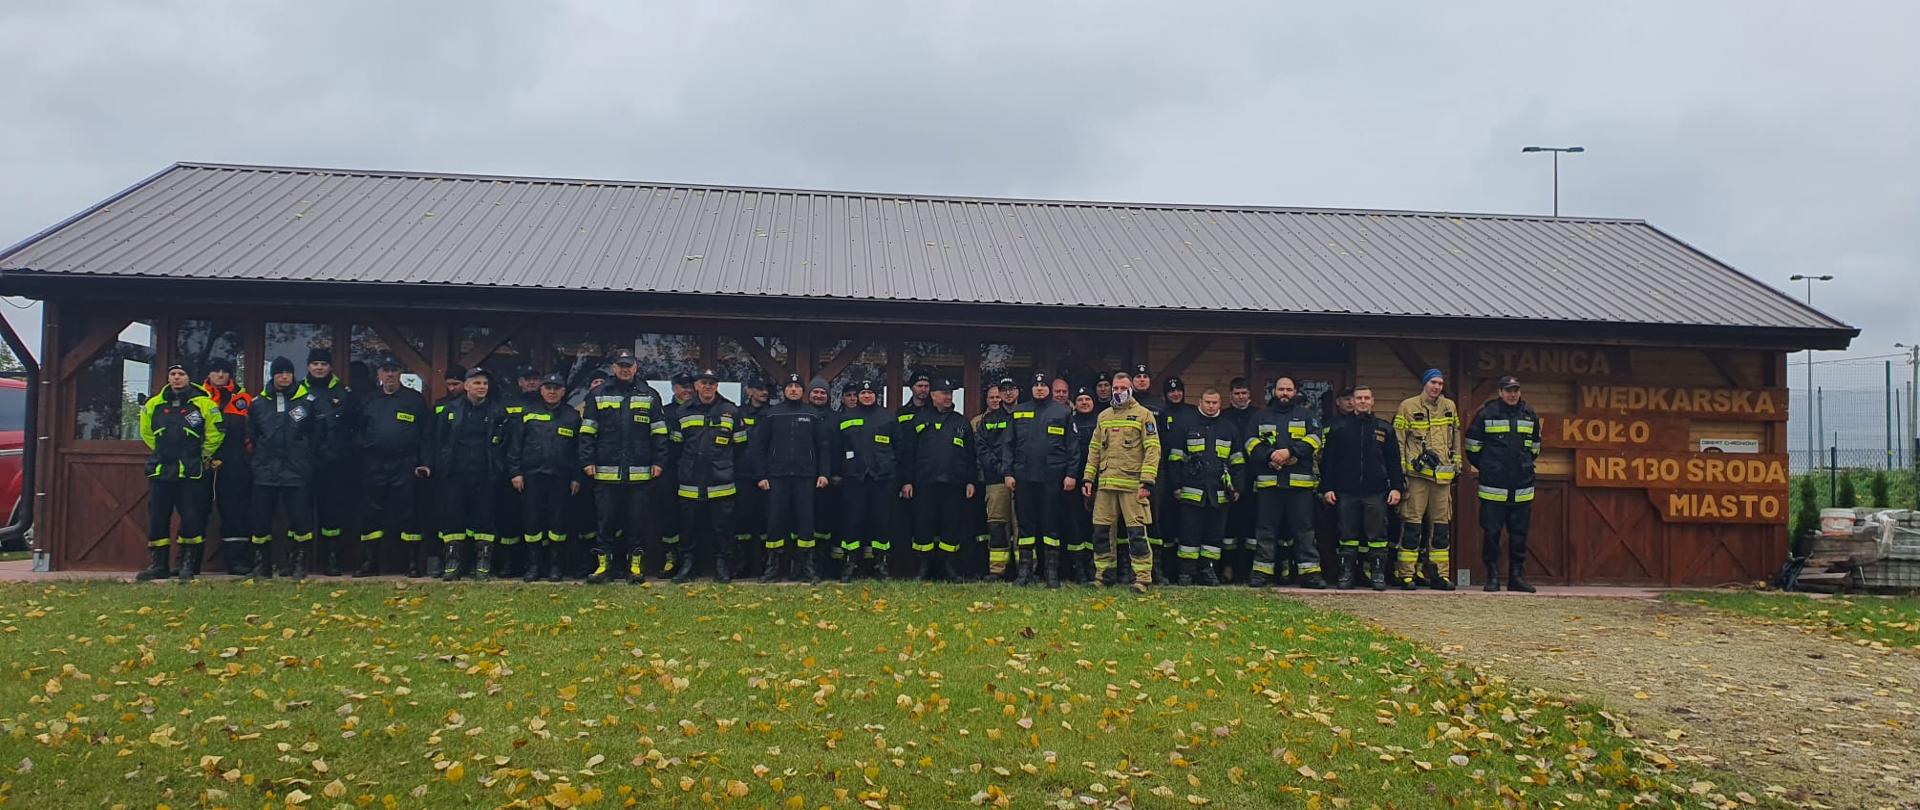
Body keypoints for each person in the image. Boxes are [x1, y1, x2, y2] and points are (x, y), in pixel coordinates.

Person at [580, 349, 667, 583]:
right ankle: (603, 566)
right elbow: (587, 431)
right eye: (621, 365)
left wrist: (659, 461)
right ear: (614, 368)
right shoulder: (598, 394)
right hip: (606, 471)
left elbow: (659, 432)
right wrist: (587, 461)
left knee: (637, 522)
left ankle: (634, 566)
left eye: (629, 365)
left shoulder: (650, 395)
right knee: (605, 521)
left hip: (640, 473)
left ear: (636, 368)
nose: (625, 369)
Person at [137, 363, 225, 581]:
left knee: (191, 517)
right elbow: (147, 432)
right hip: (161, 469)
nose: (177, 378)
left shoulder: (204, 403)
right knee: (158, 517)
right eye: (173, 374)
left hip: (191, 470)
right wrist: (163, 451)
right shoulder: (154, 404)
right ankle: (158, 564)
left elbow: (216, 432)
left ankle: (188, 564)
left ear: (189, 378)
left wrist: (201, 454)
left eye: (181, 374)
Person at [1081, 371, 1161, 593]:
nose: (1118, 392)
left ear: (1130, 389)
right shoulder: (1103, 416)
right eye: (1115, 388)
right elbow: (1094, 449)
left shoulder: (1143, 415)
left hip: (1132, 485)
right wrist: (1088, 478)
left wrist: (1147, 481)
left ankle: (1142, 577)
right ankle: (1104, 574)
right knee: (1101, 532)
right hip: (1106, 485)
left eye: (1122, 388)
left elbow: (1153, 449)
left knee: (1136, 533)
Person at [1320, 386, 1404, 591]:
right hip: (1346, 491)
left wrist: (1396, 487)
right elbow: (1328, 462)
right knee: (1347, 535)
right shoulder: (1338, 429)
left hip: (1376, 491)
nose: (1363, 401)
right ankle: (1346, 574)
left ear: (1373, 401)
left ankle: (1377, 575)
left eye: (1367, 398)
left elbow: (1394, 461)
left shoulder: (1384, 428)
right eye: (1359, 398)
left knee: (1377, 537)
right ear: (1353, 402)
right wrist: (1327, 487)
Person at [1002, 372, 1080, 587]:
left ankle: (1051, 573)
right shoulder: (1019, 411)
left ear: (1049, 389)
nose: (1039, 389)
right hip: (1024, 477)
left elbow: (1072, 447)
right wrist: (1008, 472)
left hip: (1052, 478)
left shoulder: (1063, 412)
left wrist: (1071, 474)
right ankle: (1024, 572)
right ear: (1030, 389)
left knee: (1050, 525)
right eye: (1036, 385)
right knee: (1025, 527)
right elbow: (1008, 445)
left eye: (1043, 385)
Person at [752, 373, 833, 582]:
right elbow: (759, 447)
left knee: (806, 522)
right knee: (775, 522)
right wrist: (761, 475)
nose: (794, 390)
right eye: (790, 387)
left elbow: (823, 447)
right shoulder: (772, 414)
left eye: (798, 387)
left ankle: (806, 567)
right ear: (784, 391)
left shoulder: (812, 414)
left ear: (802, 391)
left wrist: (824, 473)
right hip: (776, 477)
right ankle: (773, 567)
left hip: (806, 477)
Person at [430, 368, 509, 580]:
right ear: (466, 386)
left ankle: (482, 564)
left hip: (485, 474)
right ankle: (453, 563)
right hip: (455, 474)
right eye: (477, 383)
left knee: (484, 520)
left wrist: (499, 468)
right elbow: (439, 442)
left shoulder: (498, 412)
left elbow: (504, 444)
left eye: (484, 383)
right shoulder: (450, 410)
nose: (482, 387)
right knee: (453, 519)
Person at [355, 356, 431, 577]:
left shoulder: (414, 400)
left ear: (400, 373)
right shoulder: (368, 400)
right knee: (372, 513)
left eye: (394, 370)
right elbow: (359, 431)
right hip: (374, 463)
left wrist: (424, 462)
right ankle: (370, 562)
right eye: (385, 370)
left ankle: (412, 563)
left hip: (405, 463)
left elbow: (425, 434)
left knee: (408, 512)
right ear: (378, 374)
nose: (390, 374)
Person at [1247, 377, 1325, 588]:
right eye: (1281, 389)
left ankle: (1310, 574)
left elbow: (1316, 440)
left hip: (1299, 486)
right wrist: (1270, 455)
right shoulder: (1260, 416)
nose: (1284, 393)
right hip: (1269, 484)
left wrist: (1290, 452)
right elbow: (1250, 443)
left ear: (1295, 392)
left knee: (1304, 530)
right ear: (1274, 391)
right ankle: (1262, 573)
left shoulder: (1307, 416)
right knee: (1265, 529)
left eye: (1289, 389)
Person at [1466, 376, 1541, 593]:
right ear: (1500, 392)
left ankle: (1516, 578)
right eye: (1508, 390)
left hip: (1522, 487)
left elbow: (1535, 448)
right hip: (1493, 488)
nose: (1513, 394)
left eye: (1516, 390)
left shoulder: (1529, 415)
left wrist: (1523, 466)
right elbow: (1472, 448)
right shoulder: (1486, 414)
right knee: (1492, 534)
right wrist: (1490, 468)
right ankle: (1493, 577)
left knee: (1519, 535)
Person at [248, 357, 321, 579]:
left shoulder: (307, 401)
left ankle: (298, 562)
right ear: (273, 375)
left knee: (300, 519)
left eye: (287, 372)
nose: (284, 376)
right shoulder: (258, 403)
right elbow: (250, 434)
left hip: (297, 469)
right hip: (266, 470)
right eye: (279, 373)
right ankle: (262, 564)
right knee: (261, 520)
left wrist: (306, 456)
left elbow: (318, 435)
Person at [672, 369, 747, 583]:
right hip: (690, 481)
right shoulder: (683, 411)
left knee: (722, 528)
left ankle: (723, 566)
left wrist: (723, 465)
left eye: (712, 383)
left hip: (721, 482)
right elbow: (676, 445)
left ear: (717, 386)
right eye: (704, 383)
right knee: (688, 527)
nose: (708, 386)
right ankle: (687, 566)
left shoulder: (730, 411)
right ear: (696, 386)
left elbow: (740, 446)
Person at [510, 373, 584, 582]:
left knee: (557, 523)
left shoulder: (572, 416)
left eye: (556, 388)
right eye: (548, 388)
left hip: (561, 478)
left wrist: (577, 477)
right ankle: (534, 566)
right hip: (531, 476)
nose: (552, 392)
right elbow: (515, 445)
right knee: (532, 522)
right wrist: (515, 472)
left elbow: (579, 451)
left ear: (563, 391)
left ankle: (555, 567)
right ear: (541, 390)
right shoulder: (528, 413)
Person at [901, 378, 977, 581]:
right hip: (925, 483)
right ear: (933, 395)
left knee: (951, 525)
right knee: (923, 525)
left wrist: (971, 481)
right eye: (944, 393)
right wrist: (907, 481)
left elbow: (970, 455)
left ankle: (949, 567)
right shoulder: (918, 420)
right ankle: (923, 567)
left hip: (954, 484)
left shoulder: (961, 421)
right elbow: (908, 453)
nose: (948, 397)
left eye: (950, 393)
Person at [1393, 369, 1461, 590]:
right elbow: (1399, 441)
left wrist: (1457, 464)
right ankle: (1406, 574)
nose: (1437, 387)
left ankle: (1438, 574)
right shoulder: (1408, 406)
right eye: (1433, 382)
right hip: (1416, 477)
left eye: (1441, 383)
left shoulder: (1449, 407)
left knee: (1441, 528)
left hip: (1442, 478)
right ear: (1425, 383)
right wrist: (1402, 471)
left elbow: (1455, 437)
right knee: (1412, 525)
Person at [1168, 389, 1244, 586]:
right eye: (1207, 402)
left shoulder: (1229, 428)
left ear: (1220, 404)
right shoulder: (1186, 426)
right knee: (1189, 533)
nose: (1211, 406)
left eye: (1215, 402)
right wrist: (1176, 485)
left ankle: (1207, 569)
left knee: (1214, 534)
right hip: (1192, 490)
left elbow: (1237, 461)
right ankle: (1186, 572)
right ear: (1200, 402)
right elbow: (1175, 458)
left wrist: (1237, 487)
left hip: (1219, 492)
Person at [834, 380, 897, 581]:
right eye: (863, 393)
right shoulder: (845, 417)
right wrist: (837, 472)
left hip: (881, 480)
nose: (867, 396)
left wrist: (895, 475)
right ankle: (850, 564)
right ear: (857, 396)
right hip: (854, 480)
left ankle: (881, 564)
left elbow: (900, 449)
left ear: (876, 395)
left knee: (882, 523)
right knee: (852, 522)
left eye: (870, 392)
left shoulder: (887, 417)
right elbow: (837, 448)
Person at [199, 358, 254, 575]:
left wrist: (248, 455)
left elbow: (253, 431)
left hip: (235, 463)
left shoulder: (243, 399)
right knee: (195, 512)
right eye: (216, 371)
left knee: (235, 512)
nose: (220, 375)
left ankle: (237, 561)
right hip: (202, 462)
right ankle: (189, 562)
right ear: (208, 374)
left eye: (225, 371)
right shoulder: (197, 398)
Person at [303, 348, 354, 577]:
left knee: (332, 514)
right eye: (315, 363)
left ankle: (331, 559)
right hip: (303, 462)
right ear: (308, 366)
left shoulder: (343, 392)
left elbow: (354, 426)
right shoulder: (298, 391)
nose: (319, 368)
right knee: (301, 512)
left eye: (323, 363)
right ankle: (300, 560)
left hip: (334, 463)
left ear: (330, 367)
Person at [1155, 377, 1198, 582]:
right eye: (1171, 391)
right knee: (1167, 523)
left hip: (1191, 475)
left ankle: (1188, 570)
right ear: (1165, 394)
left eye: (1179, 391)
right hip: (1165, 473)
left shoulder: (1192, 413)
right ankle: (1167, 568)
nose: (1175, 394)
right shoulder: (1160, 412)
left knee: (1189, 525)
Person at [976, 379, 1017, 579]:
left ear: (1018, 392)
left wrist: (1016, 470)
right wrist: (1001, 469)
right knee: (997, 524)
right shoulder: (989, 420)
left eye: (1011, 390)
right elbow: (982, 449)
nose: (1008, 394)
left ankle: (1025, 570)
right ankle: (997, 570)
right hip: (995, 480)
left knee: (1022, 525)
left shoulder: (1025, 415)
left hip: (1021, 480)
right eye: (1004, 391)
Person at [1221, 377, 1258, 579]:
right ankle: (1228, 567)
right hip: (1229, 479)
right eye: (1237, 393)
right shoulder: (1224, 417)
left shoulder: (1258, 416)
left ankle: (1250, 568)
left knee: (1252, 525)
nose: (1241, 397)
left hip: (1254, 478)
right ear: (1231, 395)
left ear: (1249, 395)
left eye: (1244, 393)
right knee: (1230, 526)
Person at [1065, 386, 1100, 584]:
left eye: (1088, 398)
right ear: (1075, 403)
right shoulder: (1070, 422)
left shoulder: (1101, 421)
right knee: (1075, 524)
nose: (1084, 402)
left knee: (1096, 525)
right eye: (1080, 399)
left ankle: (1094, 566)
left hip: (1098, 481)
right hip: (1074, 481)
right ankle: (1078, 568)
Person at [806, 378, 837, 561]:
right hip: (804, 477)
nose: (819, 395)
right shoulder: (801, 415)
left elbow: (841, 448)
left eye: (823, 392)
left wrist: (836, 473)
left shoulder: (836, 418)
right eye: (815, 392)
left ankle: (824, 563)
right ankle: (803, 563)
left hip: (830, 479)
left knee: (826, 521)